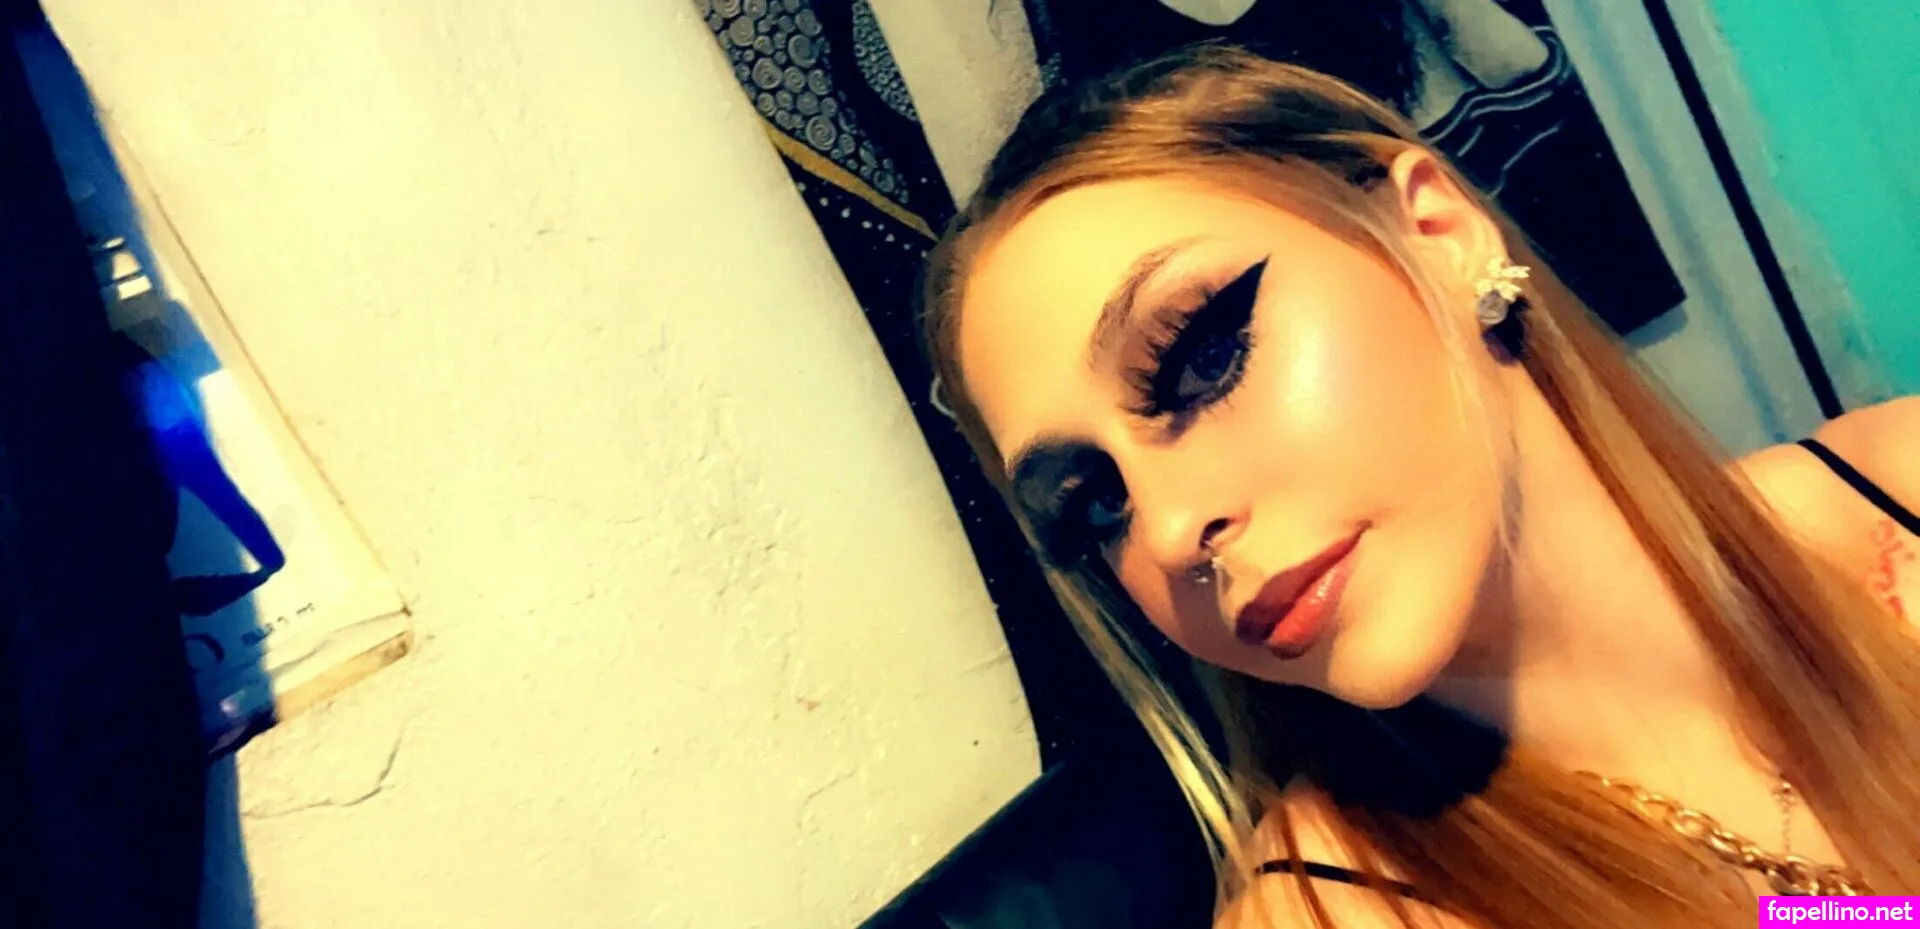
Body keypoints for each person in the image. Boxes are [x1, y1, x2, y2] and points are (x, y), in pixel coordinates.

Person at [916, 44, 1920, 928]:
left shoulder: (1896, 487)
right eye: (1098, 504)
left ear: (1438, 235)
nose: (1172, 530)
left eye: (1202, 355)